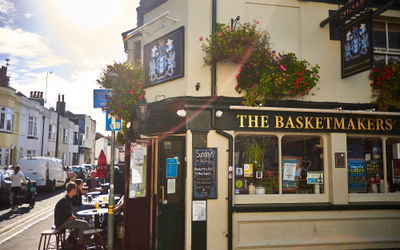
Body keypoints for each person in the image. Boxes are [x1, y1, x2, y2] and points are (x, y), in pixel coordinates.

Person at [54, 181, 89, 246]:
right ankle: (80, 244)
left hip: (61, 222)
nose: (76, 191)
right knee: (85, 224)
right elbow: (70, 216)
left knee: (80, 222)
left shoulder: (67, 198)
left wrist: (77, 218)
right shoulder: (66, 200)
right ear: (72, 190)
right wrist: (78, 218)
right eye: (75, 189)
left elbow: (69, 215)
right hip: (62, 223)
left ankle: (71, 238)